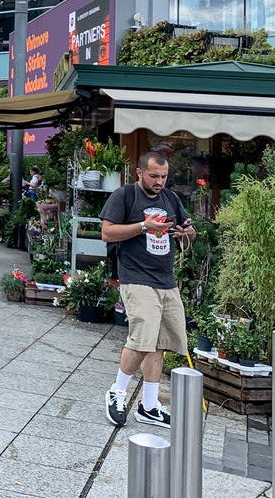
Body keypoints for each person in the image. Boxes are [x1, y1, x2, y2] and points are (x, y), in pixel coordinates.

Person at [101, 151, 195, 430]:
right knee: (143, 336)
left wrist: (187, 233)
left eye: (164, 176)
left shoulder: (171, 199)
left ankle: (150, 405)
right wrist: (144, 226)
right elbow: (107, 232)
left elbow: (189, 230)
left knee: (160, 341)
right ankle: (117, 391)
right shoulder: (124, 196)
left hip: (165, 279)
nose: (159, 181)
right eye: (154, 175)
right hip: (135, 276)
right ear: (139, 172)